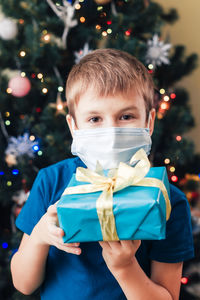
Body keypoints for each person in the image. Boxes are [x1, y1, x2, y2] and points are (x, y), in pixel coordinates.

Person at [10, 48, 194, 300]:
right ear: (73, 126)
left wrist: (125, 268)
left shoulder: (167, 200)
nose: (111, 132)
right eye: (95, 119)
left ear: (149, 122)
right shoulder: (51, 182)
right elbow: (23, 284)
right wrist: (40, 236)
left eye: (126, 116)